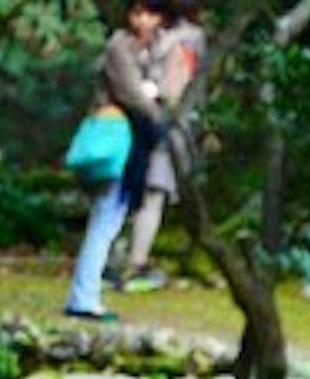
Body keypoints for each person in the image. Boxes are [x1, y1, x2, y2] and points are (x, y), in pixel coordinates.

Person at [69, 0, 171, 320]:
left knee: (110, 219)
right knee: (105, 218)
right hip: (116, 137)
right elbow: (131, 92)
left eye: (150, 14)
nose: (143, 20)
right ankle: (83, 298)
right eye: (138, 12)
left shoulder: (155, 48)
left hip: (135, 145)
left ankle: (86, 295)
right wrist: (158, 115)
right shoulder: (119, 46)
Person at [118, 0, 210, 290]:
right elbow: (180, 86)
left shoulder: (171, 36)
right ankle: (133, 263)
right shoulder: (185, 38)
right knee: (148, 195)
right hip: (155, 123)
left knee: (142, 193)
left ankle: (126, 260)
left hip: (148, 122)